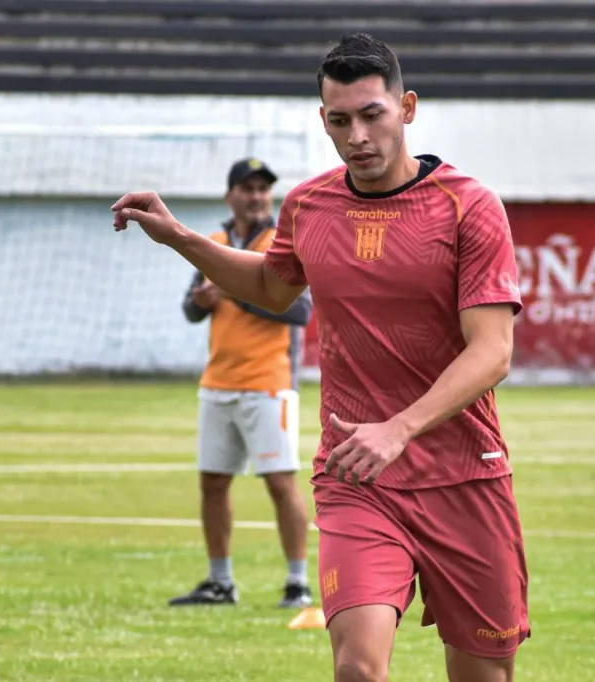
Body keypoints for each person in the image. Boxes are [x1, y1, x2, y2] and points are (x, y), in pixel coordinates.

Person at [111, 32, 529, 682]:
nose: (357, 135)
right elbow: (272, 288)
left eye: (372, 115)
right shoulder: (309, 205)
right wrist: (182, 239)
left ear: (408, 108)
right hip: (356, 477)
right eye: (340, 121)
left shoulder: (468, 207)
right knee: (357, 669)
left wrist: (400, 428)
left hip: (464, 478)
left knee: (484, 674)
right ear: (323, 121)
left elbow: (493, 352)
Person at [169, 158, 314, 610]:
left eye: (262, 190)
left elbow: (300, 311)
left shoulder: (280, 243)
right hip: (218, 381)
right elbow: (190, 311)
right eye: (247, 189)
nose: (256, 197)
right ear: (230, 194)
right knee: (213, 483)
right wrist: (201, 300)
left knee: (280, 483)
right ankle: (220, 582)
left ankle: (298, 583)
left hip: (268, 384)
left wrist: (234, 290)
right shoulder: (214, 243)